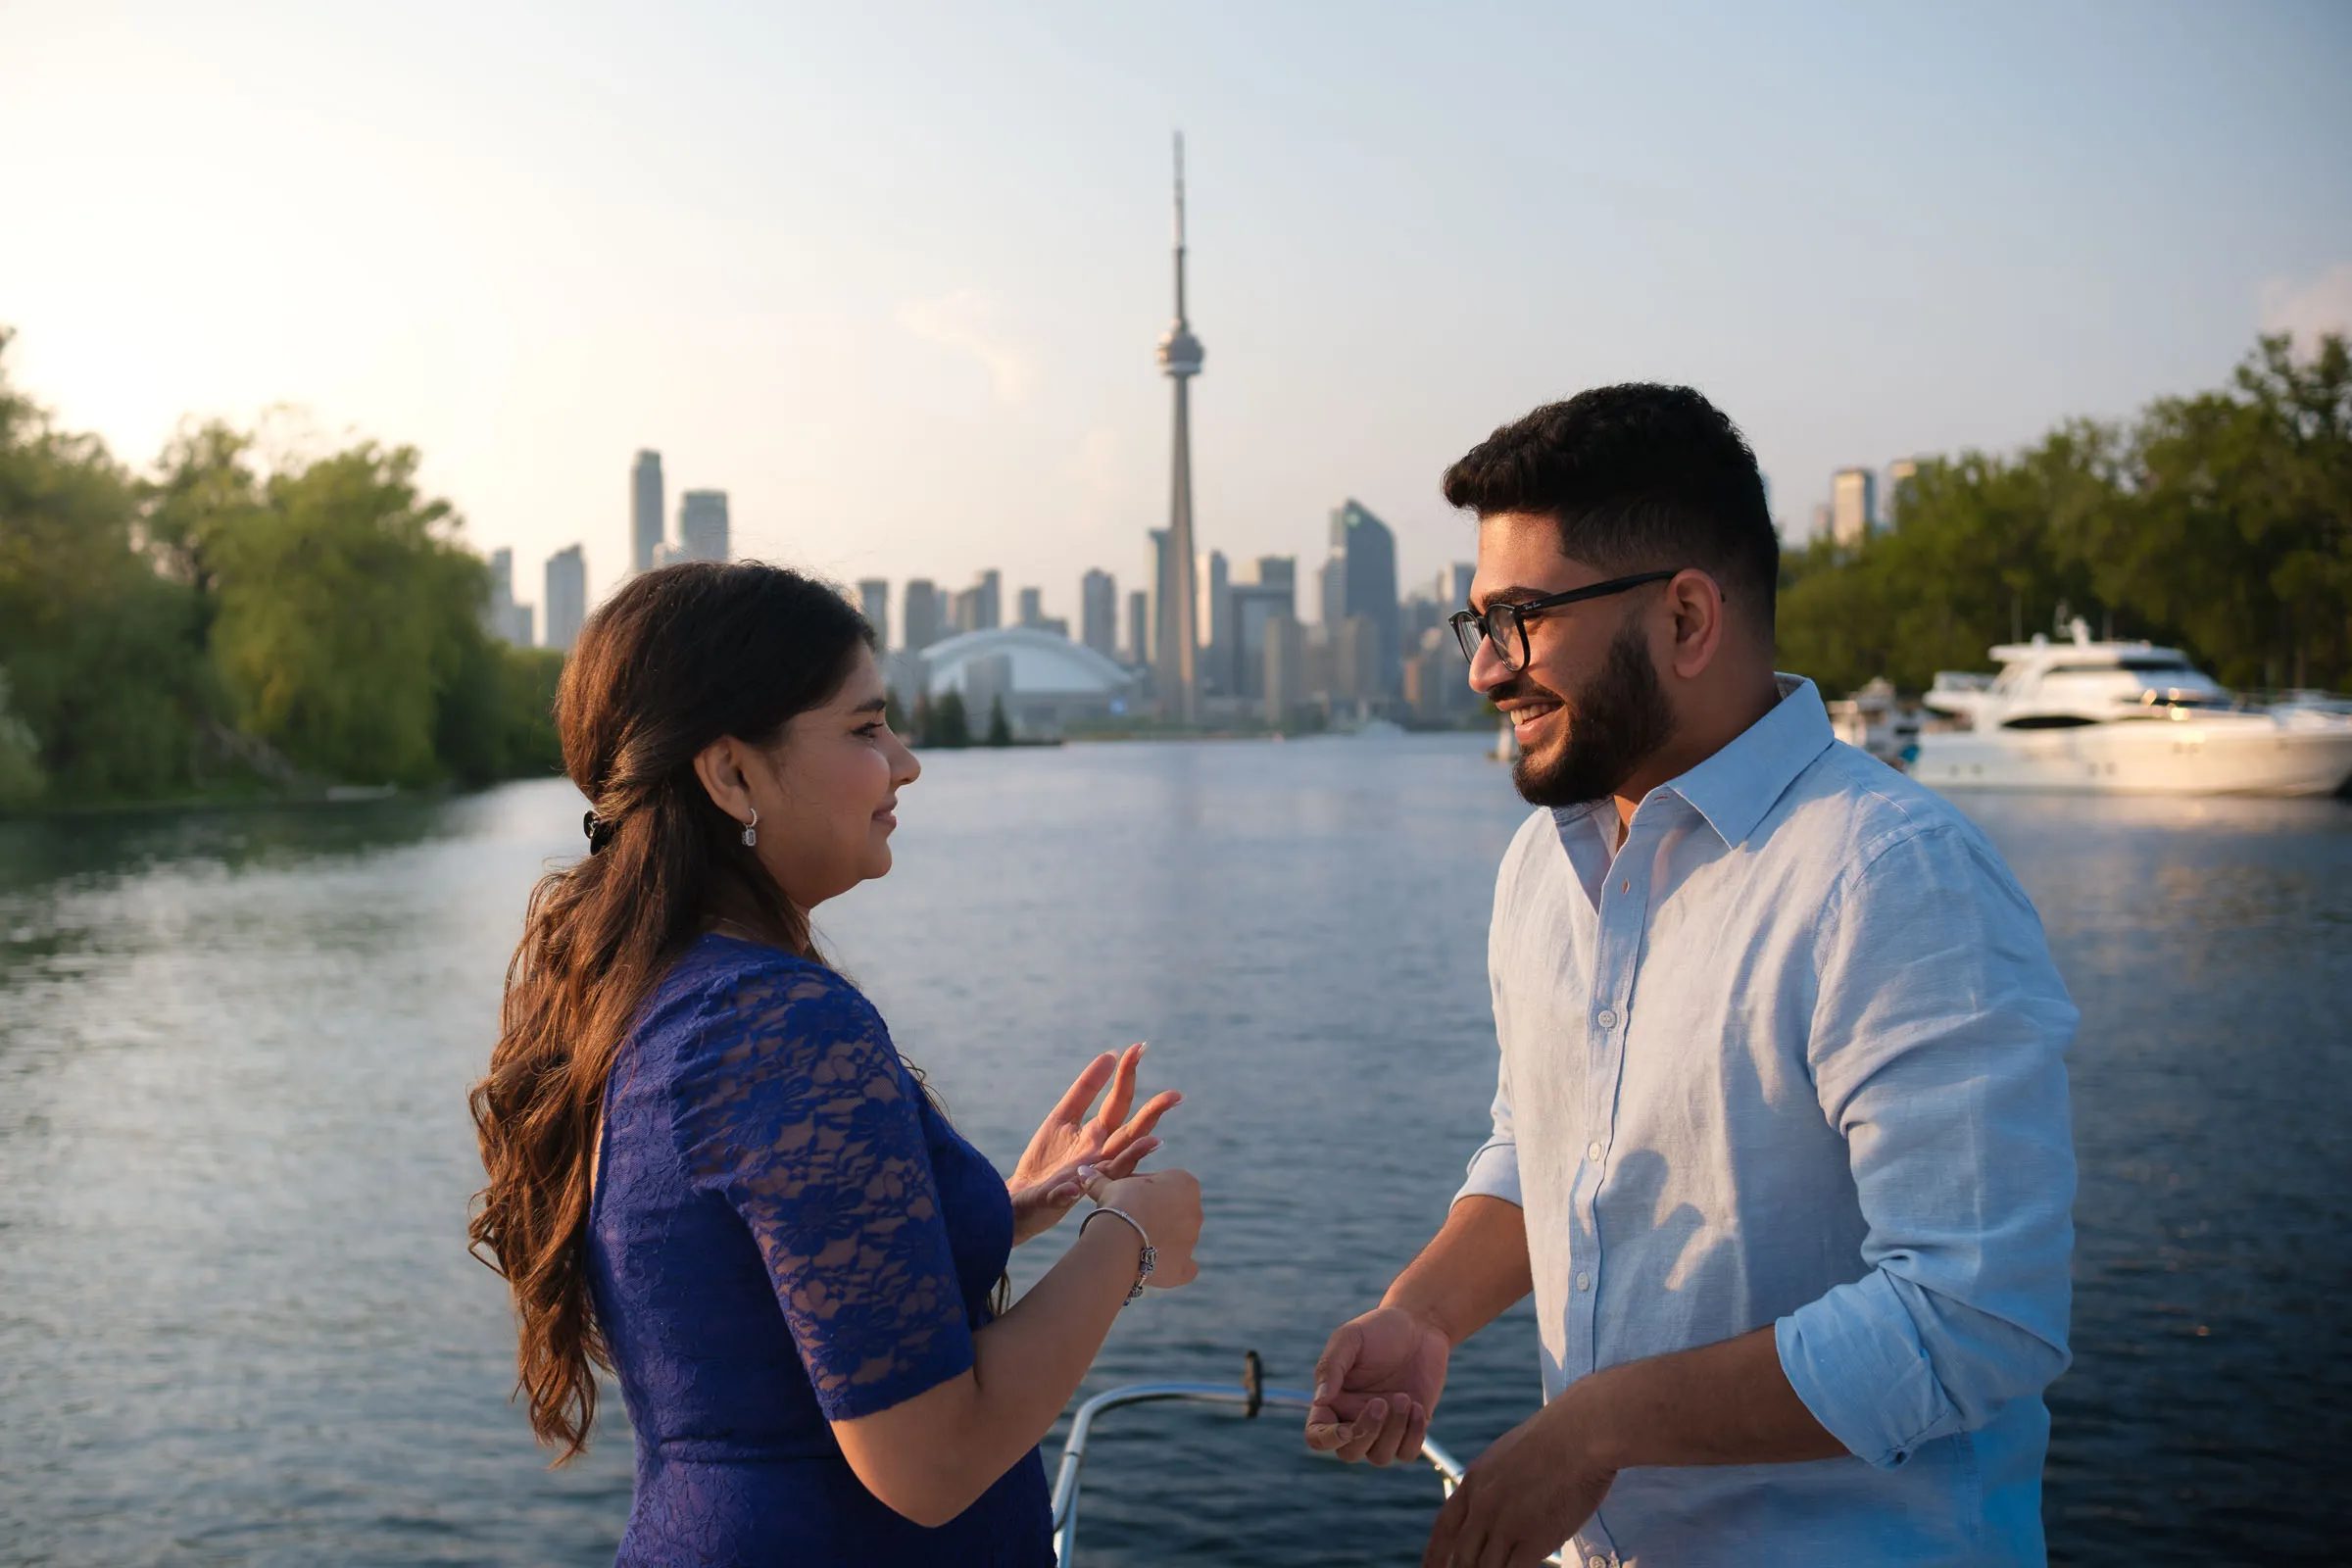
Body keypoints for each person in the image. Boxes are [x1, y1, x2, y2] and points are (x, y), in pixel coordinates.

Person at [1305, 387, 2077, 1567]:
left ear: (1685, 618)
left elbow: (1972, 1317)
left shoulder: (1891, 878)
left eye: (1521, 619)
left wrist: (1593, 1430)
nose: (1486, 673)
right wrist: (1423, 1312)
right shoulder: (1544, 863)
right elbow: (1547, 1148)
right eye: (1477, 624)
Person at [468, 562, 1202, 1567]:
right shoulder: (778, 1024)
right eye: (864, 730)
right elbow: (929, 1462)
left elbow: (739, 1284)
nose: (905, 763)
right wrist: (1129, 1234)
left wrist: (997, 1208)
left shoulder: (643, 995)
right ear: (730, 775)